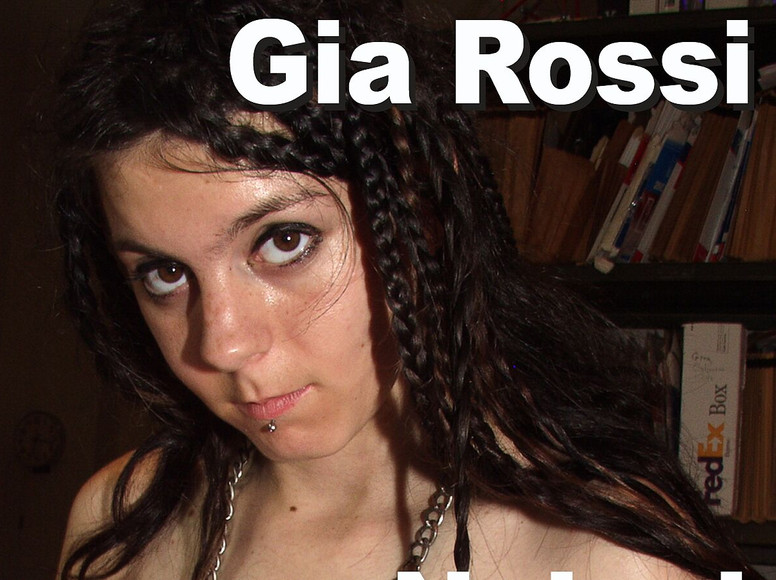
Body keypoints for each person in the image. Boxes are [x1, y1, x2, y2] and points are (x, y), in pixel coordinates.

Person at [48, 1, 760, 579]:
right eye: (166, 274)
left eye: (284, 241)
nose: (223, 343)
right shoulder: (121, 525)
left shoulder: (606, 557)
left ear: (417, 213)